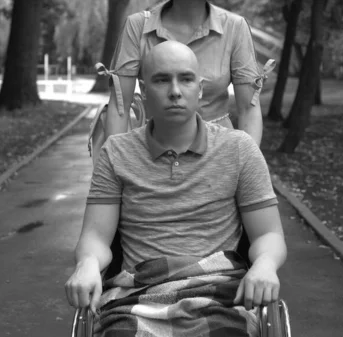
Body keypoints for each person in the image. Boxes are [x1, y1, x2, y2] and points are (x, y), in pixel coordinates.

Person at [66, 41, 286, 336]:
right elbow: (95, 237)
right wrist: (88, 264)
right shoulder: (116, 153)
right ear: (144, 92)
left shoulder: (239, 149)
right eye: (161, 79)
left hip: (221, 295)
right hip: (138, 297)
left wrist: (265, 265)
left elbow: (269, 234)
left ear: (201, 89)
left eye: (185, 78)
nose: (175, 90)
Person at [102, 0, 266, 146]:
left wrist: (246, 166)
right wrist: (118, 165)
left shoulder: (235, 27)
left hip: (219, 154)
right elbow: (119, 106)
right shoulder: (138, 26)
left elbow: (248, 109)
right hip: (152, 153)